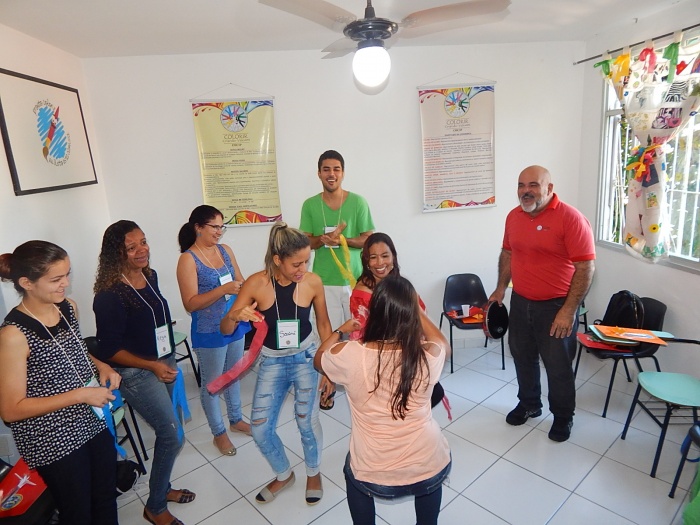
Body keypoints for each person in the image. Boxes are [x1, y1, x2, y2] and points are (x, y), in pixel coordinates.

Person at [0, 240, 121, 525]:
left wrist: (101, 365)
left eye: (67, 275)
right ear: (27, 283)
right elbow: (11, 410)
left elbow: (75, 350)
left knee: (106, 496)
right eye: (56, 279)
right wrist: (80, 395)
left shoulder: (67, 308)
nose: (65, 283)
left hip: (90, 420)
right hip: (51, 437)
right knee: (78, 513)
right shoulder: (13, 335)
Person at [315, 275, 451, 525]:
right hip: (428, 464)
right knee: (430, 482)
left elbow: (319, 359)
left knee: (352, 471)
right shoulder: (427, 355)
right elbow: (443, 344)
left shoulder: (351, 355)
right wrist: (415, 308)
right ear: (412, 314)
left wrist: (340, 331)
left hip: (372, 471)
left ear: (375, 313)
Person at [220, 222, 332, 506]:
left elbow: (323, 324)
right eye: (296, 264)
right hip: (272, 361)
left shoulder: (313, 282)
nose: (303, 269)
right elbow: (225, 328)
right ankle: (284, 474)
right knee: (259, 428)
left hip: (306, 357)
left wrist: (329, 365)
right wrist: (235, 316)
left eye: (306, 261)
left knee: (307, 421)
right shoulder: (255, 283)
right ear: (277, 259)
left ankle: (313, 472)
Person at [93, 221, 194, 525]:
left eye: (144, 242)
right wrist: (152, 365)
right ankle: (155, 506)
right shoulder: (109, 295)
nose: (142, 250)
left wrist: (165, 358)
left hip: (163, 360)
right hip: (137, 372)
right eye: (131, 247)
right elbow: (108, 349)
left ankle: (162, 487)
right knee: (171, 435)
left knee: (173, 431)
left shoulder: (149, 276)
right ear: (116, 253)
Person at [488, 165, 595, 442]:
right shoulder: (514, 217)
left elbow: (585, 268)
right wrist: (500, 288)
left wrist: (568, 311)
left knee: (557, 366)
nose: (526, 191)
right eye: (521, 185)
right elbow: (508, 253)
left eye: (533, 185)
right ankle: (529, 404)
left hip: (556, 306)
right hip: (521, 301)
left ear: (549, 188)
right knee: (522, 356)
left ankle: (563, 416)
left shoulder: (571, 218)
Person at [176, 205, 251, 457]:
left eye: (222, 226)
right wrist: (223, 289)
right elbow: (190, 303)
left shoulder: (225, 250)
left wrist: (248, 292)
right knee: (212, 384)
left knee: (233, 375)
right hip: (209, 331)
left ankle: (236, 419)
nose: (220, 232)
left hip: (234, 323)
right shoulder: (188, 259)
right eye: (214, 227)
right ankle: (218, 432)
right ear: (198, 227)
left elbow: (241, 281)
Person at [349, 233, 448, 412]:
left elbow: (421, 317)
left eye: (385, 256)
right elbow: (360, 335)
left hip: (409, 355)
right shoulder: (363, 292)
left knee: (420, 403)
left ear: (393, 257)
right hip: (381, 363)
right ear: (366, 261)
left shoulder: (400, 284)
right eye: (373, 257)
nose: (380, 263)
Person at [300, 149, 375, 330]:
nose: (331, 174)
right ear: (319, 173)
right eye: (326, 169)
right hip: (324, 282)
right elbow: (304, 243)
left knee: (360, 333)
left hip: (356, 280)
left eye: (336, 169)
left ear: (343, 173)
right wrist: (324, 240)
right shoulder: (310, 205)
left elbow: (369, 240)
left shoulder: (358, 202)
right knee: (329, 334)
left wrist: (342, 241)